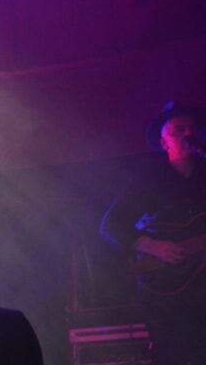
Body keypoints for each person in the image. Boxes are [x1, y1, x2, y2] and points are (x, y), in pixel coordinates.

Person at [100, 101, 206, 365]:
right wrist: (151, 246)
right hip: (165, 288)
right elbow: (110, 224)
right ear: (163, 142)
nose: (188, 134)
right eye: (178, 130)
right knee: (173, 353)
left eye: (192, 129)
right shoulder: (149, 180)